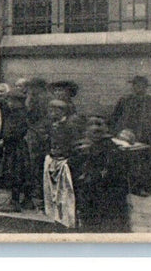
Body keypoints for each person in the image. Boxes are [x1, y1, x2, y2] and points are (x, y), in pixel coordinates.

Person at [70, 114, 132, 232]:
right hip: (87, 196)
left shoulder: (114, 148)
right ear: (86, 129)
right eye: (91, 125)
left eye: (99, 125)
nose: (95, 128)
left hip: (108, 197)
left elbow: (119, 172)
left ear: (107, 129)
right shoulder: (78, 146)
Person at [111, 75, 151, 196]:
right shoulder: (125, 100)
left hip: (145, 136)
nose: (139, 88)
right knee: (126, 161)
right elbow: (115, 117)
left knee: (143, 163)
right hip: (126, 136)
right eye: (136, 85)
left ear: (146, 87)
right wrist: (115, 133)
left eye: (142, 86)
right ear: (133, 87)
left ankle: (139, 187)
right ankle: (124, 187)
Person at [42, 99, 78, 228]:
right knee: (52, 193)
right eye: (50, 110)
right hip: (53, 160)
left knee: (64, 193)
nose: (52, 113)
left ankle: (67, 221)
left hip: (64, 163)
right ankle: (56, 220)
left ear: (63, 111)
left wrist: (67, 157)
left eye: (55, 110)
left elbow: (74, 144)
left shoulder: (69, 126)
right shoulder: (51, 125)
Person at [0, 78, 30, 212]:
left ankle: (15, 202)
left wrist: (5, 138)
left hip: (16, 148)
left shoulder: (19, 115)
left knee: (15, 173)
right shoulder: (16, 113)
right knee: (20, 174)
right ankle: (26, 200)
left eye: (11, 101)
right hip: (15, 147)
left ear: (17, 102)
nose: (9, 103)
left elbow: (16, 131)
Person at [22, 76, 51, 209]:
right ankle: (40, 193)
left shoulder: (36, 98)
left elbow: (30, 114)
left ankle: (37, 194)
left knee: (34, 165)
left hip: (36, 135)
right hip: (42, 134)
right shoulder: (45, 98)